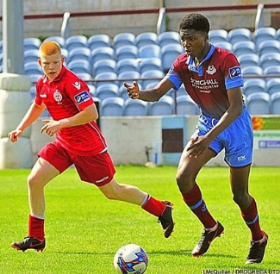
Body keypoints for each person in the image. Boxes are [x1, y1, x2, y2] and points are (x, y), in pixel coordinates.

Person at [124, 13, 268, 264]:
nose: (186, 44)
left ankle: (258, 238)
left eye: (191, 39)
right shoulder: (182, 63)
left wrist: (208, 138)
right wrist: (139, 95)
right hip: (208, 124)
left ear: (205, 37)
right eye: (182, 39)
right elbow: (158, 93)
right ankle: (211, 227)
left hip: (236, 128)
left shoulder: (226, 59)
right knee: (183, 178)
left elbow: (234, 108)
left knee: (239, 194)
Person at [8, 41, 174, 252]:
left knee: (113, 191)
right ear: (40, 63)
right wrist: (20, 128)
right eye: (47, 63)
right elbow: (39, 104)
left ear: (63, 61)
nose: (51, 67)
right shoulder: (42, 83)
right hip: (63, 145)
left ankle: (161, 209)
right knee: (34, 180)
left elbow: (91, 113)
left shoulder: (72, 83)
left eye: (55, 62)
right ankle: (36, 237)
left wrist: (61, 123)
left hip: (89, 149)